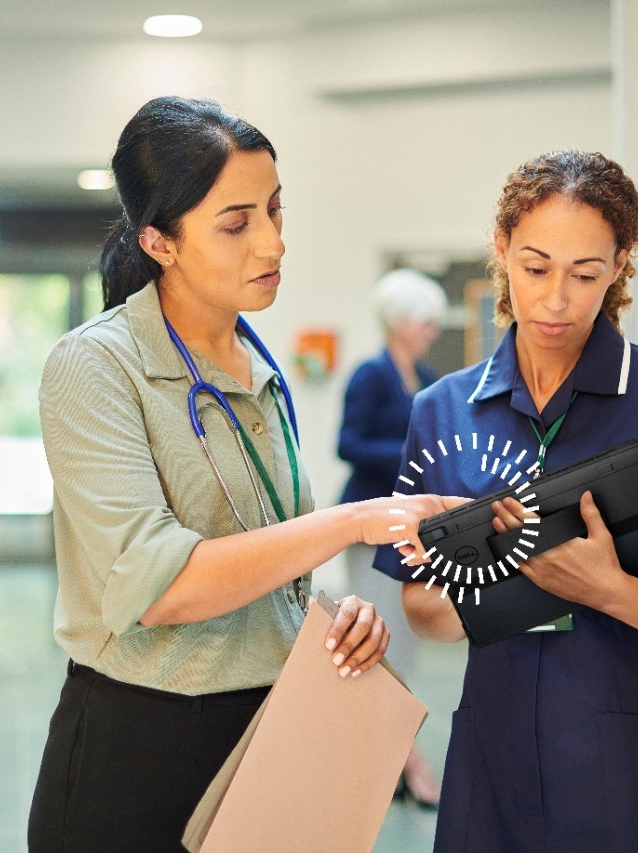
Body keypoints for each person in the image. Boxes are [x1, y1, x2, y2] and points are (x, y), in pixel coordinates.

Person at [25, 96, 459, 852]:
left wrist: (326, 619)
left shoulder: (258, 367)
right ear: (159, 240)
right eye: (236, 223)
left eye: (276, 211)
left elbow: (271, 555)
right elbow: (161, 584)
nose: (273, 243)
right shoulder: (94, 367)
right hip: (137, 753)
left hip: (266, 736)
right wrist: (354, 522)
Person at [387, 150, 638, 851]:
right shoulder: (441, 410)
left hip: (629, 757)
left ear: (620, 264)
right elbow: (421, 606)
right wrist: (512, 577)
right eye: (535, 267)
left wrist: (608, 587)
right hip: (491, 752)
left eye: (586, 272)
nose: (557, 298)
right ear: (500, 251)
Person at [337, 267, 447, 807]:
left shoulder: (425, 375)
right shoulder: (369, 376)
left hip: (410, 530)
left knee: (402, 645)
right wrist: (407, 457)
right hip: (368, 529)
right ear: (400, 321)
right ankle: (407, 761)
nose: (431, 331)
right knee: (376, 646)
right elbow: (349, 444)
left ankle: (395, 757)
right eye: (425, 322)